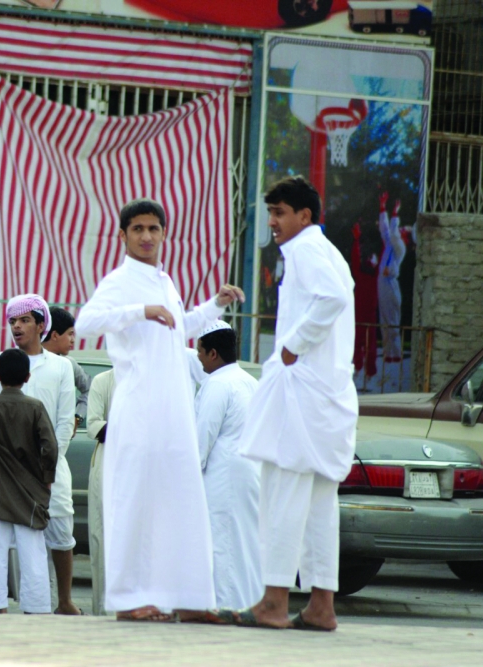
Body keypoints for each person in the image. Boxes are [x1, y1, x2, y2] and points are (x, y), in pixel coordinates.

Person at [74, 197, 244, 623]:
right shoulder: (120, 280)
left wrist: (215, 304)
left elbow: (179, 329)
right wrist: (140, 311)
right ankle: (130, 600)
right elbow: (85, 323)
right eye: (138, 229)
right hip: (138, 407)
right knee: (135, 498)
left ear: (164, 233)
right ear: (123, 235)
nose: (146, 236)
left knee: (180, 497)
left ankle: (188, 599)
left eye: (153, 228)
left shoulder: (164, 280)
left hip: (173, 409)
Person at [236, 176, 357, 631]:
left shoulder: (307, 250)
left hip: (303, 394)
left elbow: (330, 299)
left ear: (304, 217)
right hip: (328, 396)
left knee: (282, 497)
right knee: (321, 506)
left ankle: (274, 601)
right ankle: (321, 604)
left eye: (280, 213)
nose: (273, 222)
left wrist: (293, 344)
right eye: (271, 212)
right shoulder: (329, 253)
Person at [0, 294, 79, 615]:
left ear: (40, 325)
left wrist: (46, 467)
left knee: (58, 532)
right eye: (12, 321)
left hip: (47, 470)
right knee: (0, 539)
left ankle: (63, 601)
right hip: (1, 471)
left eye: (23, 321)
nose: (16, 327)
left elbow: (64, 422)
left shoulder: (61, 366)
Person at [0, 349, 59, 614]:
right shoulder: (35, 407)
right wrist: (46, 479)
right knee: (33, 553)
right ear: (28, 377)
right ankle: (36, 606)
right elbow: (50, 447)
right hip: (29, 491)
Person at [194, 320, 262, 610]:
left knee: (222, 543)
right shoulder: (250, 381)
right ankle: (249, 603)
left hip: (224, 478)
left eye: (200, 352)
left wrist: (187, 476)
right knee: (246, 542)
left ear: (212, 354)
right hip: (250, 474)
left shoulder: (218, 384)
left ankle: (226, 608)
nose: (197, 357)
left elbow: (202, 437)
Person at [85, 368, 114, 617]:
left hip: (144, 467)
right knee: (103, 537)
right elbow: (94, 424)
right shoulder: (103, 381)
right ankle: (104, 609)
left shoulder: (153, 380)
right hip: (109, 465)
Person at [43, 306, 91, 431]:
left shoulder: (69, 364)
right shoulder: (27, 360)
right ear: (54, 335)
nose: (73, 340)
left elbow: (90, 390)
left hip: (58, 438)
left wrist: (77, 417)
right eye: (70, 334)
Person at [378, 193, 406, 367]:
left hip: (391, 285)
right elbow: (386, 230)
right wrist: (383, 208)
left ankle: (396, 353)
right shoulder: (390, 245)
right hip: (383, 287)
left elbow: (394, 234)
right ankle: (389, 354)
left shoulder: (399, 249)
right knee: (385, 321)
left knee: (393, 322)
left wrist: (395, 213)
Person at [350, 218, 380, 383]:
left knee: (371, 345)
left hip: (369, 313)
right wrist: (355, 239)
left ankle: (369, 371)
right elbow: (355, 258)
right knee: (358, 342)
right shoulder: (361, 273)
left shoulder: (374, 274)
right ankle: (358, 367)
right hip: (360, 312)